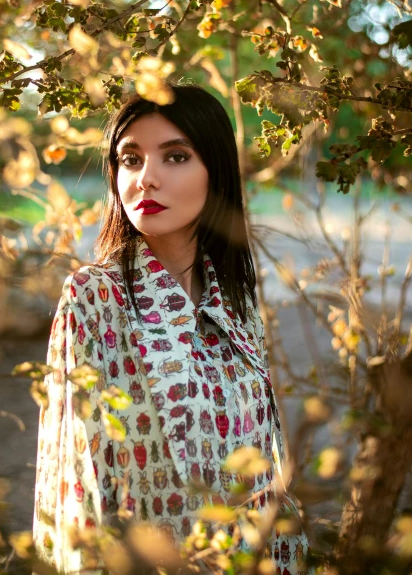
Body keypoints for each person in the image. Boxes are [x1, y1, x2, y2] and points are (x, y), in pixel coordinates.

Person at [33, 84, 311, 574]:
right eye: (131, 159)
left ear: (216, 173)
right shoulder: (94, 298)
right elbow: (78, 484)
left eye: (176, 157)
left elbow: (268, 476)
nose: (147, 179)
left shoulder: (236, 299)